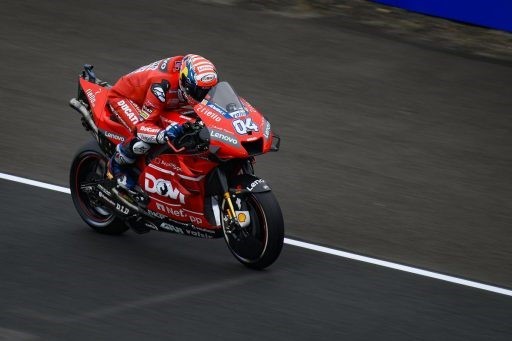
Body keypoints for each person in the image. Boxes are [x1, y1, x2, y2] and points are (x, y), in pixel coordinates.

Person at [107, 54, 218, 191]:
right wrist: (164, 134)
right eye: (200, 92)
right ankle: (116, 165)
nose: (205, 96)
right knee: (143, 140)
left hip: (160, 102)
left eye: (209, 90)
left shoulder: (195, 76)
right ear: (185, 83)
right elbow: (144, 126)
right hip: (126, 98)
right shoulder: (161, 87)